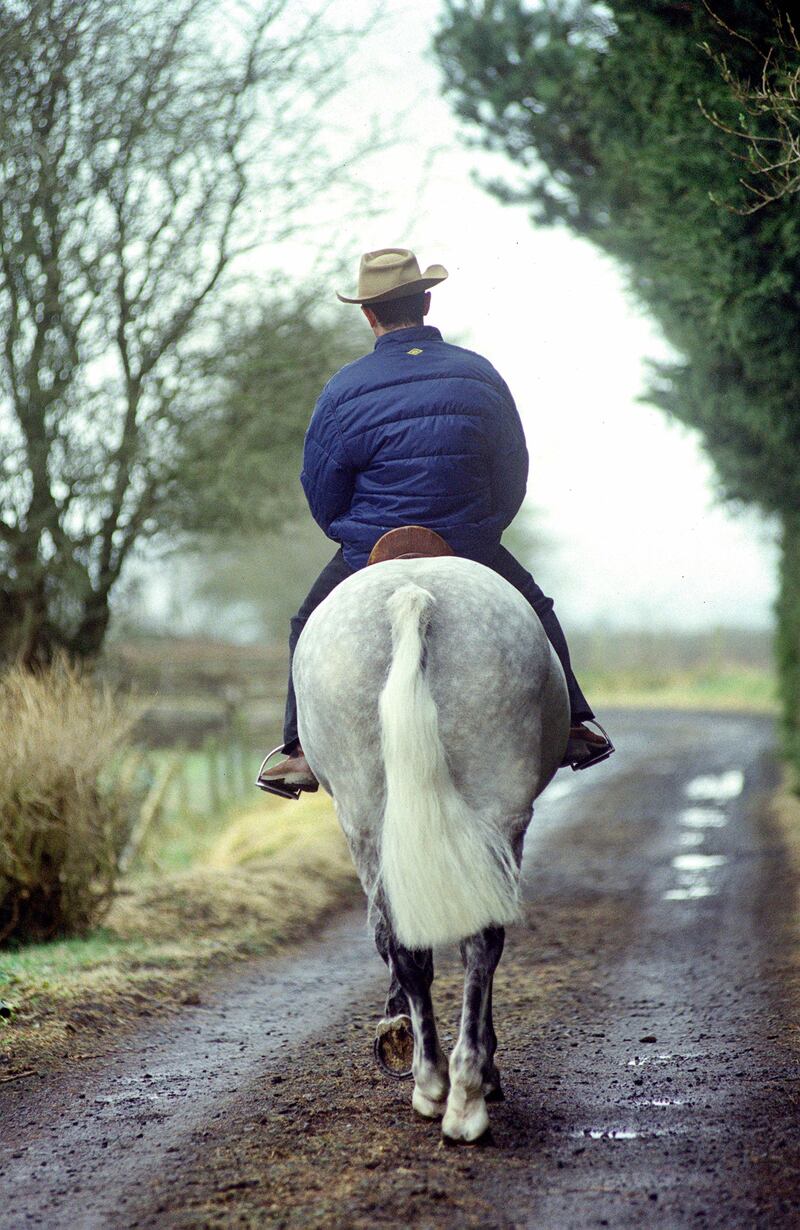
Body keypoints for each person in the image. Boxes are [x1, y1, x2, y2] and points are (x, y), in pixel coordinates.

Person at [259, 248, 613, 793]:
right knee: (535, 608)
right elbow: (511, 473)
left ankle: (300, 751)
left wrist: (355, 539)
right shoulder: (479, 374)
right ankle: (572, 726)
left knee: (307, 624)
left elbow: (323, 493)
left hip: (369, 550)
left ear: (368, 314)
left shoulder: (342, 389)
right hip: (468, 544)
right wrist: (481, 529)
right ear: (425, 302)